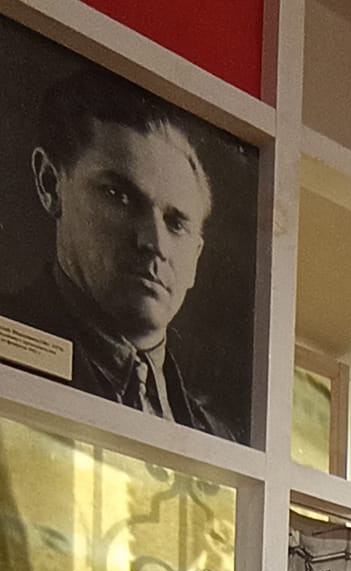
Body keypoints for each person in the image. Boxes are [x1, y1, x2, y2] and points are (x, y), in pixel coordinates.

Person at [0, 65, 231, 437]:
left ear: (196, 257)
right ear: (51, 184)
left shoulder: (217, 435)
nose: (153, 243)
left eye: (176, 223)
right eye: (119, 196)